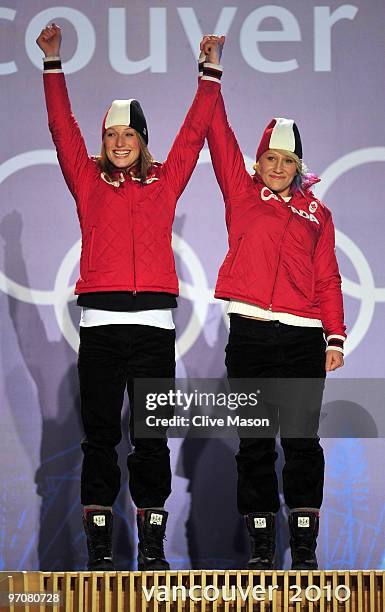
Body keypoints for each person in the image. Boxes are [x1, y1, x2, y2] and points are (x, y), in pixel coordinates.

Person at [36, 24, 223, 571]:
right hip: (100, 327)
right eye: (112, 135)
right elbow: (60, 127)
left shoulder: (165, 183)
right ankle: (99, 553)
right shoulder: (87, 181)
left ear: (143, 140)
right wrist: (52, 63)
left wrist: (209, 74)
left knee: (151, 440)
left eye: (129, 135)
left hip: (153, 332)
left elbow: (193, 135)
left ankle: (151, 550)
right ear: (104, 141)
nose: (120, 143)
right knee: (99, 438)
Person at [200, 36, 345, 570]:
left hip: (304, 337)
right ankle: (263, 549)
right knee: (256, 445)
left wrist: (335, 335)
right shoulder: (241, 191)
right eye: (269, 158)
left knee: (303, 445)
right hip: (252, 335)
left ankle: (303, 551)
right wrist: (210, 73)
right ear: (256, 161)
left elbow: (328, 276)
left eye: (287, 160)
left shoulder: (317, 214)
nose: (278, 167)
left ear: (298, 164)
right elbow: (217, 134)